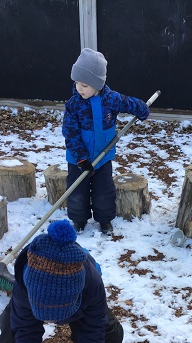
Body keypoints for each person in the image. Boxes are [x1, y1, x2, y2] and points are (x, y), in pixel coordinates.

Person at [62, 48, 150, 235]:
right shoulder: (74, 104)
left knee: (104, 192)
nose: (79, 88)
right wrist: (81, 158)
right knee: (77, 192)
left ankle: (104, 221)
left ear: (98, 84)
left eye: (85, 85)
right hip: (79, 160)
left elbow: (130, 103)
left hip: (102, 158)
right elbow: (70, 133)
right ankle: (79, 220)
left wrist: (142, 109)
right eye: (77, 83)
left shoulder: (111, 99)